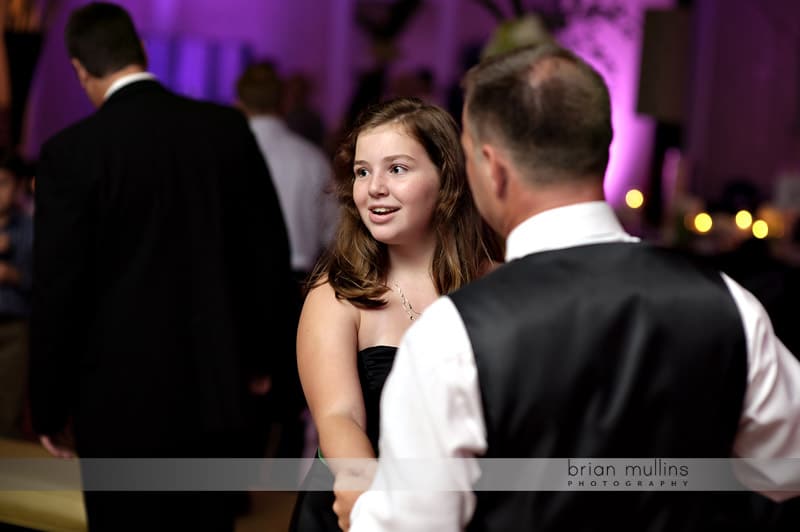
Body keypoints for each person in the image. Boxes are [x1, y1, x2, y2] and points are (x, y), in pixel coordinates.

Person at [348, 44, 800, 531]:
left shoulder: (453, 335)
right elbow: (787, 468)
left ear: (492, 167)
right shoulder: (730, 305)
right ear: (602, 150)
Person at [28, 3, 294, 531]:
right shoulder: (225, 131)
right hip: (216, 383)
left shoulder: (71, 153)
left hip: (115, 398)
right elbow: (266, 251)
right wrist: (264, 359)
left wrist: (50, 404)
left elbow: (59, 289)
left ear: (80, 70)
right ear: (143, 52)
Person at [288, 96, 503, 531]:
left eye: (397, 169)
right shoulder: (337, 293)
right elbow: (339, 417)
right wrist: (379, 513)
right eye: (362, 171)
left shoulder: (502, 285)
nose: (374, 187)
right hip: (355, 508)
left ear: (447, 178)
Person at [235, 61, 336, 459]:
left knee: (240, 382)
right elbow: (333, 234)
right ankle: (285, 489)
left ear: (237, 101)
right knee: (294, 389)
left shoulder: (227, 154)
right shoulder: (311, 159)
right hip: (298, 286)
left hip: (240, 285)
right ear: (282, 103)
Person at [0, 150, 32, 438]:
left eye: (2, 183)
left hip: (14, 328)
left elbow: (45, 282)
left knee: (9, 408)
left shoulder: (30, 229)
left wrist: (13, 275)